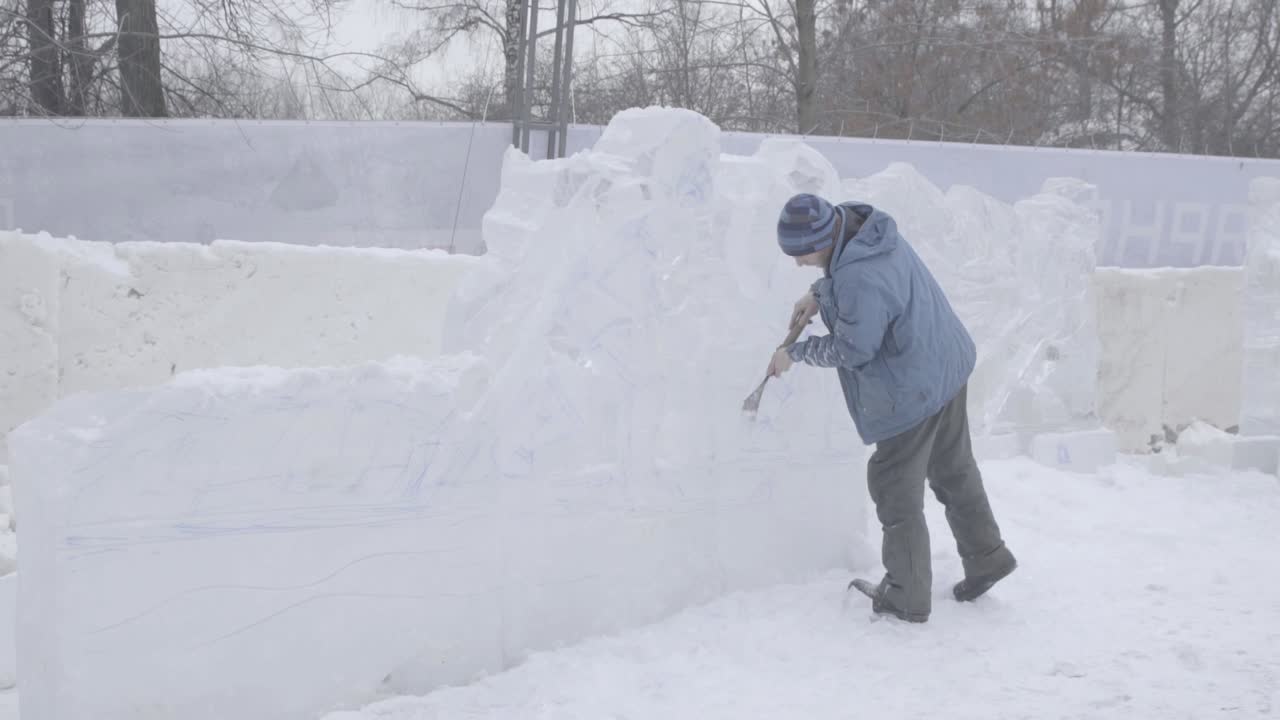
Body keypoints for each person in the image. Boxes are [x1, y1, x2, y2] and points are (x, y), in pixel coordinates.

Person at [766, 192, 1016, 623]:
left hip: (912, 386)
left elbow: (854, 348)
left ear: (821, 240)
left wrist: (798, 353)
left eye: (801, 255)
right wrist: (819, 293)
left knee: (892, 484)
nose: (797, 262)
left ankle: (906, 593)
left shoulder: (858, 276)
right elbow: (868, 289)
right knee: (954, 469)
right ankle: (987, 557)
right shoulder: (865, 230)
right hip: (945, 364)